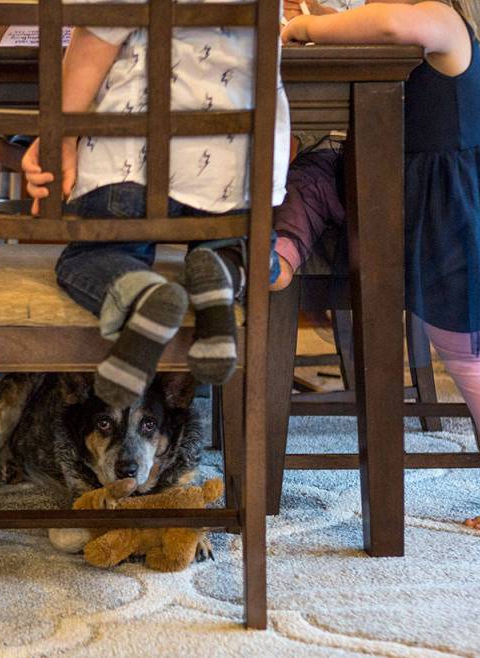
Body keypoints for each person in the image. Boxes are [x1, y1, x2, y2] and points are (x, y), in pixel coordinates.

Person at [282, 0, 480, 532]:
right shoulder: (426, 20)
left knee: (469, 353)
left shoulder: (440, 21)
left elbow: (391, 23)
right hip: (402, 192)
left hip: (452, 213)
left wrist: (308, 26)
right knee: (313, 172)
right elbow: (381, 22)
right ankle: (277, 255)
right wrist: (331, 18)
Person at [22, 10, 291, 408]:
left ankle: (143, 296)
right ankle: (226, 270)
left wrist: (57, 134)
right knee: (246, 246)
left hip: (129, 154)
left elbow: (96, 38)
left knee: (97, 257)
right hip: (234, 162)